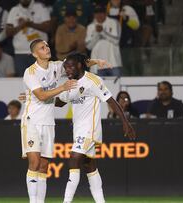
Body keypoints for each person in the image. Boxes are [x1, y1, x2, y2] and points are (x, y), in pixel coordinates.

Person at [21, 39, 110, 203]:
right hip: (32, 120)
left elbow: (78, 63)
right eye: (42, 47)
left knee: (44, 166)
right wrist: (63, 87)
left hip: (48, 122)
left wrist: (97, 61)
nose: (46, 48)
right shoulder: (31, 72)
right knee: (34, 162)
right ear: (35, 54)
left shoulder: (55, 67)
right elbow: (41, 95)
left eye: (47, 46)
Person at [56, 53, 136, 203]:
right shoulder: (70, 84)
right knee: (89, 165)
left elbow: (111, 101)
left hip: (89, 129)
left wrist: (125, 122)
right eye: (66, 68)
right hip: (78, 130)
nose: (67, 70)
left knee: (74, 160)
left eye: (70, 66)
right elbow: (59, 102)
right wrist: (39, 97)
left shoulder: (93, 80)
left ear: (80, 65)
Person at [6, 0, 51, 76]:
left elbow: (48, 27)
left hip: (40, 52)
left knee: (43, 79)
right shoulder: (14, 10)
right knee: (22, 81)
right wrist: (21, 25)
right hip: (20, 53)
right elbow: (8, 32)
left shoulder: (40, 7)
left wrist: (30, 24)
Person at [85, 5, 122, 76]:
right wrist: (97, 34)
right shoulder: (91, 26)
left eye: (101, 12)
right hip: (97, 66)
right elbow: (89, 46)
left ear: (105, 13)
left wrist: (102, 32)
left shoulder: (114, 23)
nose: (99, 15)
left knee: (116, 87)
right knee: (97, 87)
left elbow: (116, 41)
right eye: (97, 13)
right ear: (94, 14)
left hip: (113, 64)